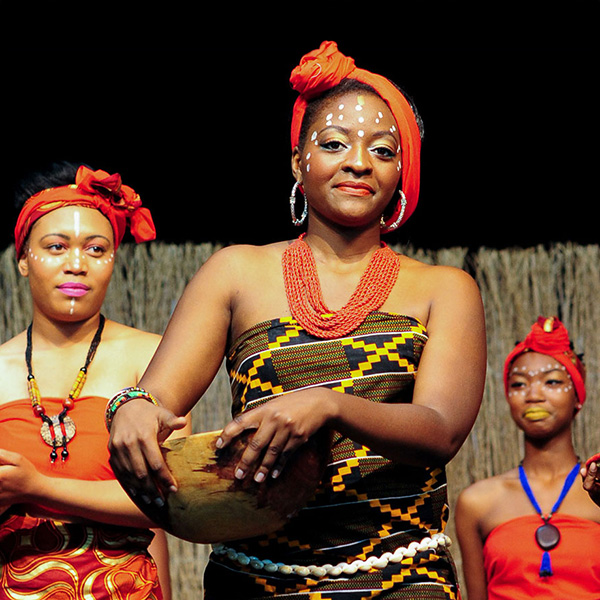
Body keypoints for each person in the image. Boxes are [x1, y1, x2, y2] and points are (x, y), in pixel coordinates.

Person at [107, 41, 486, 599]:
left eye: (383, 151)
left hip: (400, 580)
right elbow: (158, 397)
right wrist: (131, 409)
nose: (358, 162)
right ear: (297, 161)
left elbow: (440, 429)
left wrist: (328, 405)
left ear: (403, 170)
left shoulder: (446, 289)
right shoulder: (235, 272)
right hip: (253, 581)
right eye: (334, 144)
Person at [0, 162, 190, 599]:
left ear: (113, 260)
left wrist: (37, 487)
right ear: (24, 259)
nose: (76, 265)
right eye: (55, 246)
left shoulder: (154, 358)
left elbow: (168, 502)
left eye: (96, 249)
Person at [455, 316, 600, 599]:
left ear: (578, 397)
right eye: (519, 384)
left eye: (553, 382)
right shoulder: (477, 503)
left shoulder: (598, 489)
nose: (534, 395)